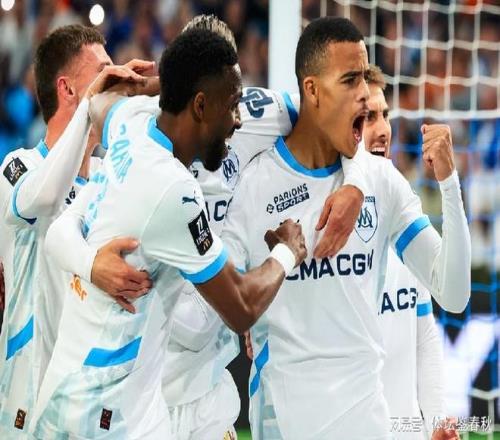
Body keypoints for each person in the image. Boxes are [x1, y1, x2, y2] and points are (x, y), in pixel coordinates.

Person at [42, 14, 371, 440]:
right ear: (200, 100)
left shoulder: (134, 121)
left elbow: (331, 113)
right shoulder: (173, 187)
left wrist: (357, 183)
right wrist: (288, 250)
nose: (238, 118)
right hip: (121, 392)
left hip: (192, 384)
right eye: (230, 103)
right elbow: (241, 306)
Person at [221, 17, 470, 439]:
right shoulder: (253, 187)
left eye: (364, 78)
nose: (363, 94)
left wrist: (448, 183)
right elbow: (221, 304)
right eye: (350, 80)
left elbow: (456, 293)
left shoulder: (381, 181)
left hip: (366, 422)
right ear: (312, 90)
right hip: (284, 425)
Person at [0, 24, 151, 437]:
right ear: (67, 90)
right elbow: (47, 198)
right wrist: (89, 109)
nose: (114, 80)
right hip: (28, 398)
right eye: (103, 72)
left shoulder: (109, 178)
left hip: (91, 404)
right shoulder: (18, 168)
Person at [364, 65, 458, 440]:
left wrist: (435, 421)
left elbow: (425, 336)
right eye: (368, 117)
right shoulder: (320, 223)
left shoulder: (405, 215)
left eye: (385, 115)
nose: (383, 129)